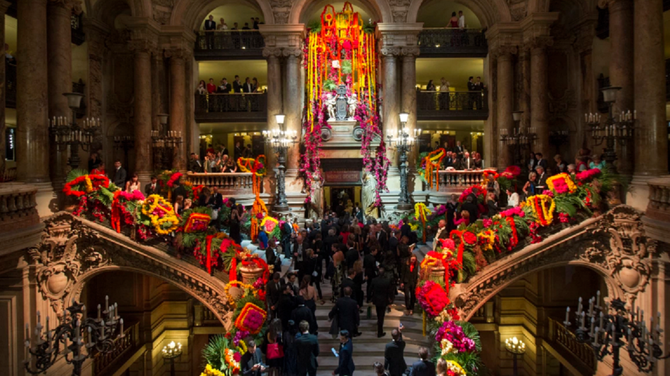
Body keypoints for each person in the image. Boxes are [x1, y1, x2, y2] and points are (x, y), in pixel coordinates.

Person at [370, 266, 393, 338]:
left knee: (378, 312)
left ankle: (379, 324)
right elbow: (390, 291)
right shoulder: (387, 281)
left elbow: (370, 290)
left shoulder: (374, 280)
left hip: (376, 299)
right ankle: (380, 331)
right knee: (381, 316)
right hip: (383, 300)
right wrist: (390, 300)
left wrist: (370, 298)